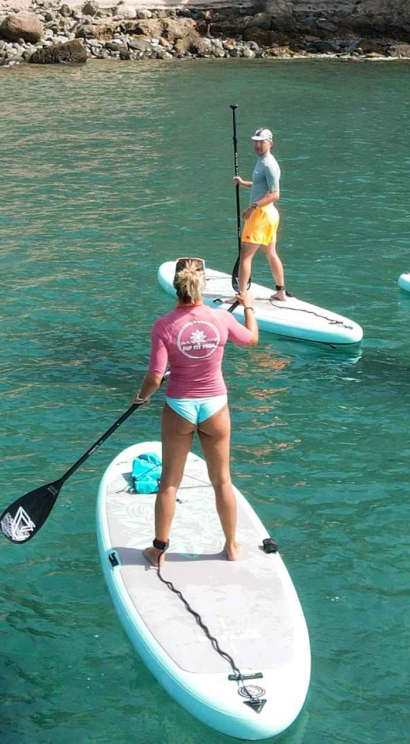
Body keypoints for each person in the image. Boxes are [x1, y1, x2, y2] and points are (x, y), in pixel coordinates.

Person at [135, 257, 258, 567]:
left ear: (175, 288)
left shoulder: (163, 325)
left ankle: (158, 550)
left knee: (170, 482)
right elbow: (252, 339)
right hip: (216, 405)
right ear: (202, 287)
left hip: (179, 407)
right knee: (222, 481)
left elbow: (154, 375)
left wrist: (141, 397)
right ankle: (231, 545)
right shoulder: (220, 318)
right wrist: (248, 306)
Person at [232, 127, 288, 302]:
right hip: (267, 215)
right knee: (271, 253)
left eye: (261, 142)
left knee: (245, 257)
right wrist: (243, 183)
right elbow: (260, 186)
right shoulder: (262, 161)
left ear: (270, 143)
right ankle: (280, 291)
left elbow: (274, 193)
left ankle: (242, 295)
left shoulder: (269, 164)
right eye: (255, 141)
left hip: (261, 215)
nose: (257, 145)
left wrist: (252, 207)